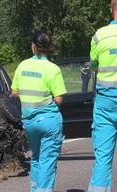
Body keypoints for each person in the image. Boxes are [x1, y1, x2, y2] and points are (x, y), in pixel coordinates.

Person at [11, 31, 66, 192]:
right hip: (48, 121)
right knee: (48, 161)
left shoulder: (22, 65)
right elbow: (59, 99)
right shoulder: (53, 69)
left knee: (35, 158)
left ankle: (35, 189)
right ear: (48, 47)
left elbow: (14, 92)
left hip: (29, 122)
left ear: (33, 46)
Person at [88, 1, 117, 191]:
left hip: (106, 101)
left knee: (103, 159)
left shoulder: (99, 35)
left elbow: (93, 66)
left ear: (112, 9)